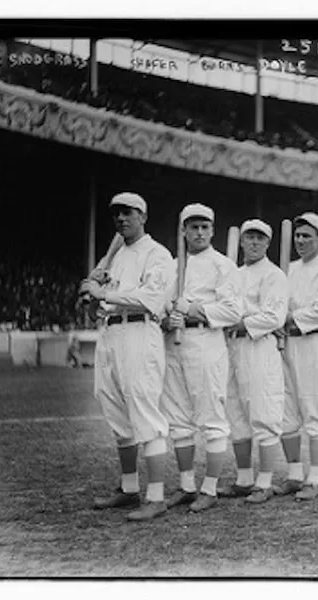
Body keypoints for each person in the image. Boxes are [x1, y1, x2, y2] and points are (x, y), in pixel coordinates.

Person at [80, 192, 174, 521]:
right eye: (117, 214)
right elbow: (101, 305)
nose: (122, 219)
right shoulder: (116, 257)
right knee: (113, 405)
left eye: (129, 213)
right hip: (111, 332)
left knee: (143, 409)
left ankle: (157, 497)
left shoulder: (157, 254)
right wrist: (91, 294)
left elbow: (150, 298)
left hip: (140, 332)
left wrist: (104, 292)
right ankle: (130, 489)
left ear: (143, 216)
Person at [161, 203, 242, 513]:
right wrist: (168, 319)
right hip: (174, 341)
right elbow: (159, 306)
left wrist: (193, 309)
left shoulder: (223, 265)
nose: (198, 232)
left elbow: (233, 311)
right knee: (178, 417)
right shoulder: (171, 266)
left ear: (212, 230)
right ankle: (186, 485)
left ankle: (209, 488)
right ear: (183, 230)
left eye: (204, 227)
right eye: (192, 227)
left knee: (211, 415)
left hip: (206, 341)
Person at [277, 212, 318, 501]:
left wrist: (291, 315)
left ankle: (316, 477)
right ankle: (294, 474)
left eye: (307, 235)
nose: (301, 240)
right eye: (298, 235)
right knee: (286, 412)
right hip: (284, 344)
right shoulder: (286, 269)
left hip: (314, 342)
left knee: (316, 409)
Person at [223, 219, 288, 505]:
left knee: (263, 412)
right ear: (241, 241)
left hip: (258, 345)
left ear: (268, 243)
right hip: (231, 345)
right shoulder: (231, 273)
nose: (253, 242)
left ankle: (264, 482)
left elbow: (274, 317)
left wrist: (238, 320)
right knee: (236, 413)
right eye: (249, 237)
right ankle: (244, 479)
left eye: (260, 238)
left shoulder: (274, 275)